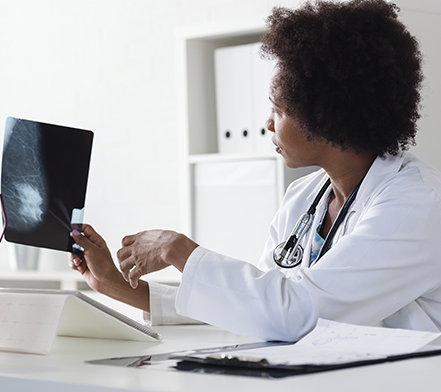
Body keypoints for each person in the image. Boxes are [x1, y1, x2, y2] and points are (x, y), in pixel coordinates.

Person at [71, 0, 441, 342]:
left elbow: (292, 313)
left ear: (328, 116)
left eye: (279, 110)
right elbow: (253, 309)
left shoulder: (416, 205)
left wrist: (178, 250)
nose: (267, 123)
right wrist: (116, 287)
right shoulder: (304, 198)